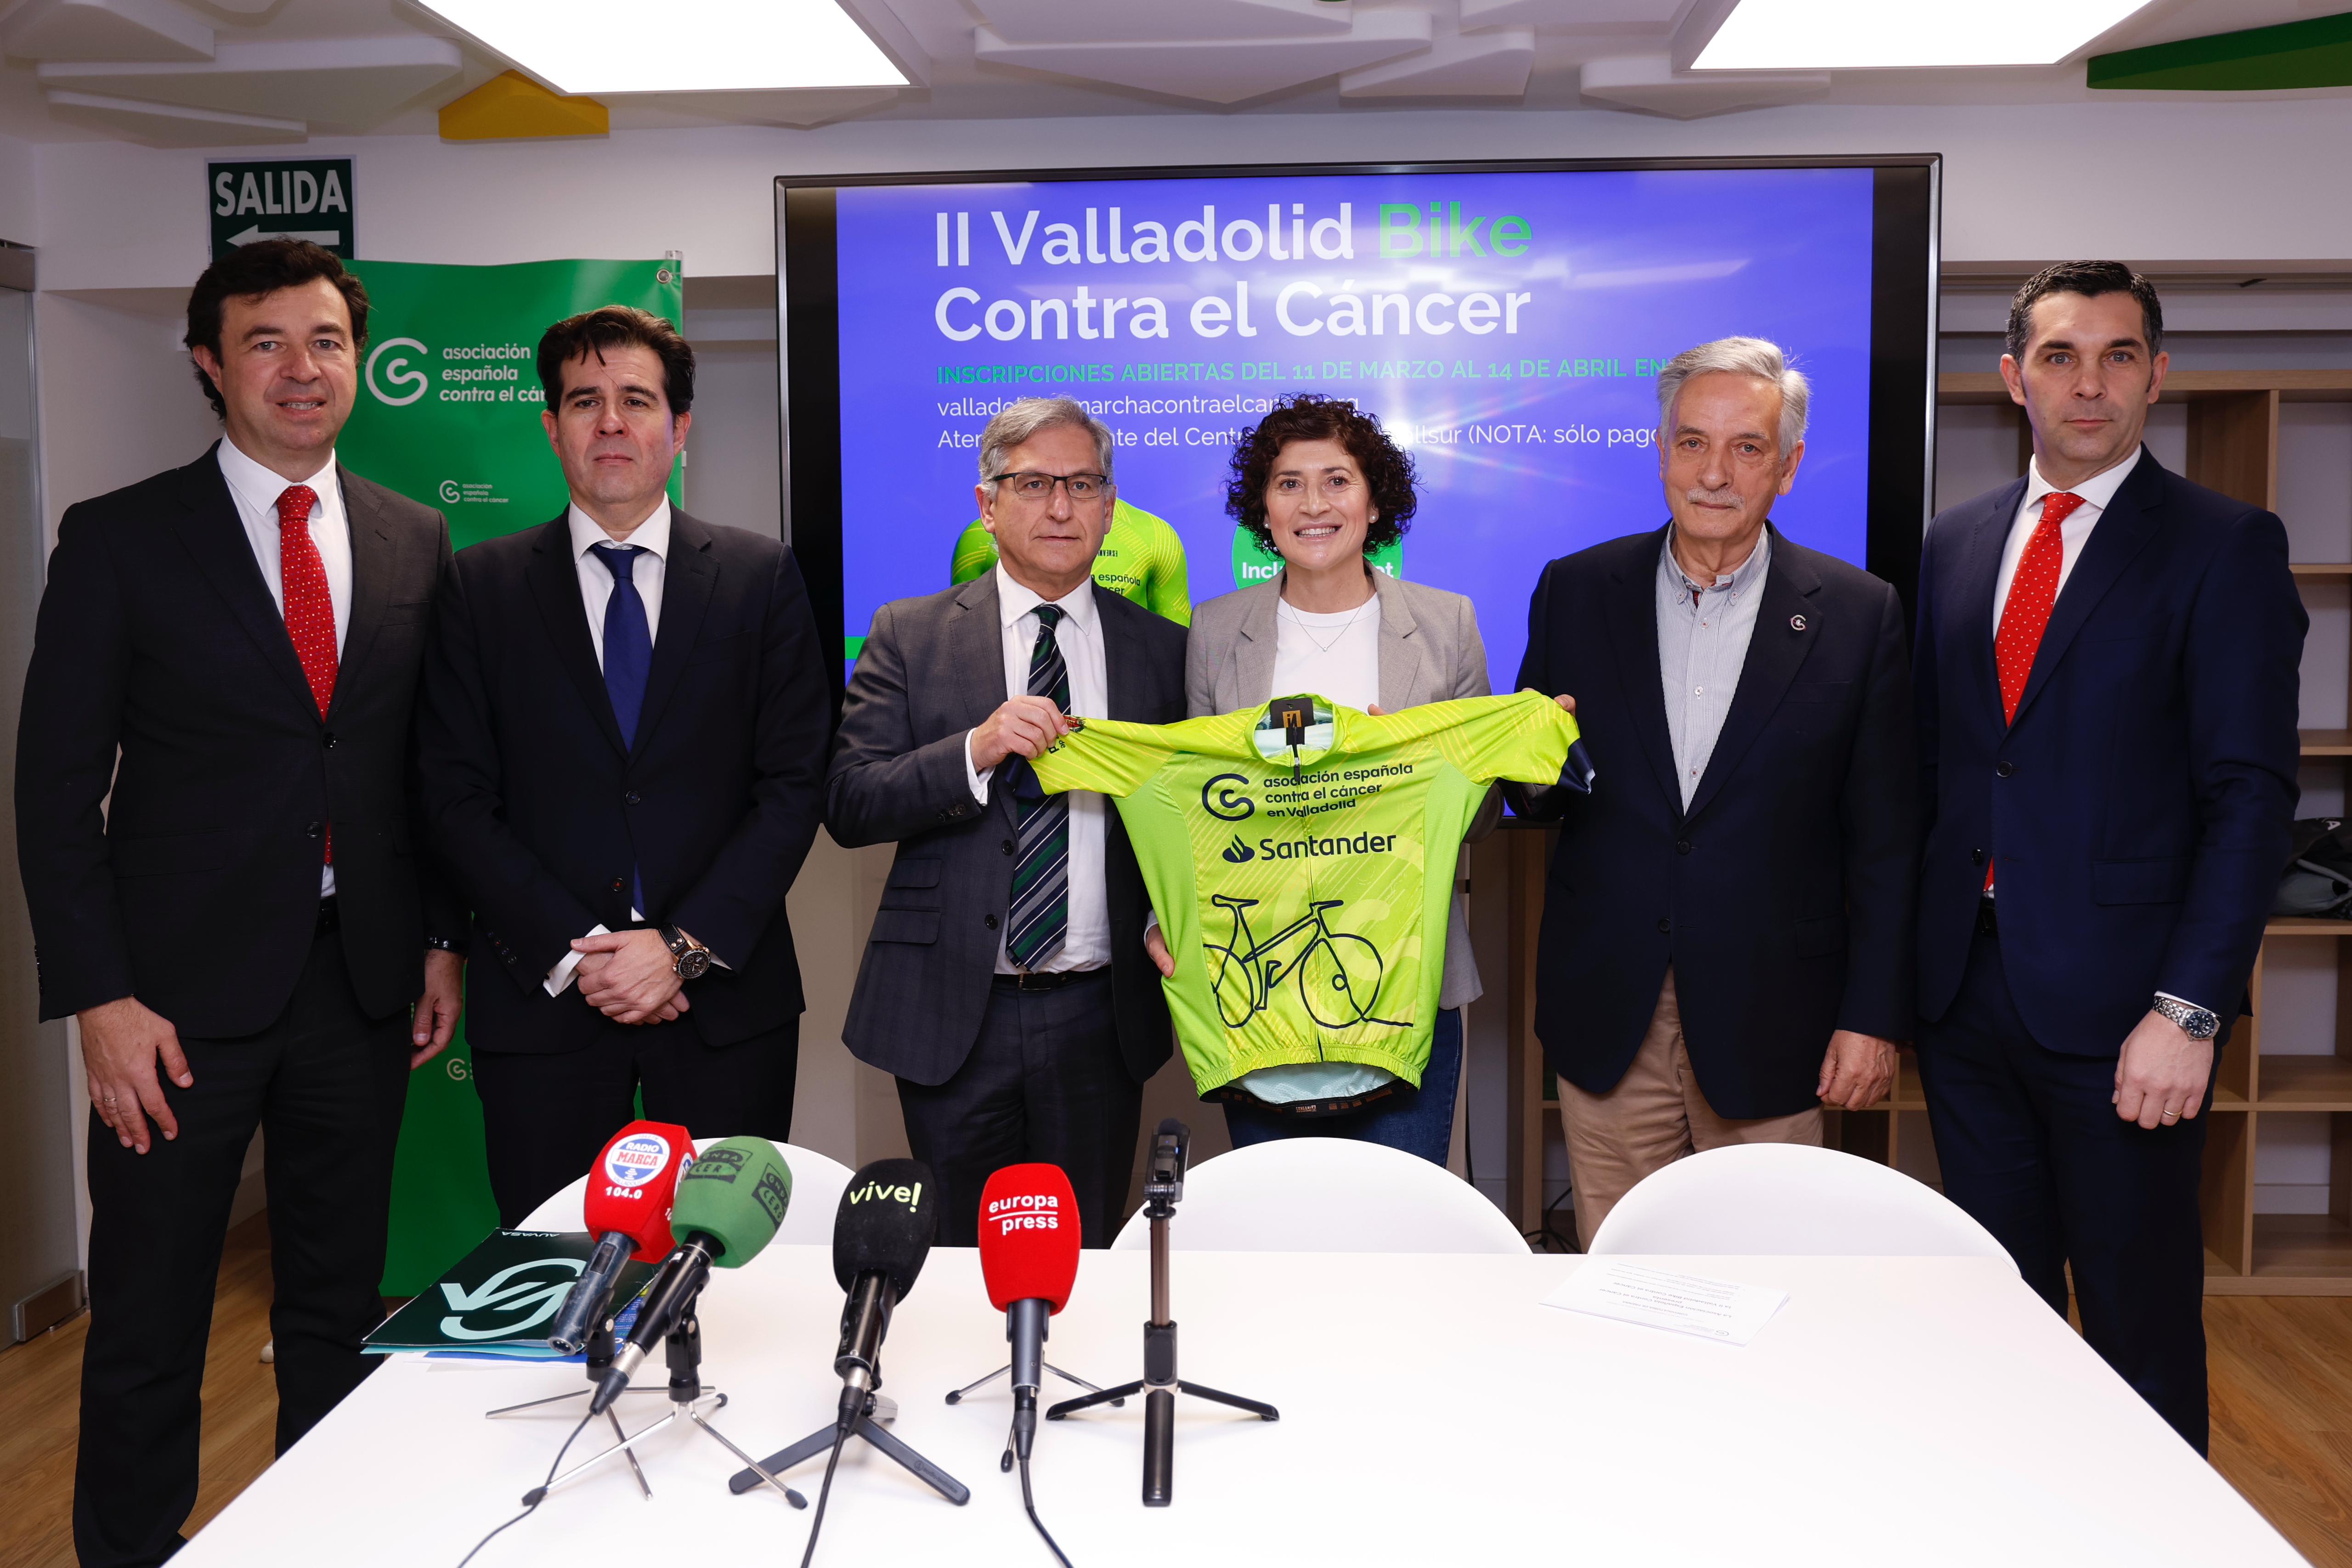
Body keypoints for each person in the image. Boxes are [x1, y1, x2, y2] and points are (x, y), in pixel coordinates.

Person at [15, 239, 466, 1568]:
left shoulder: (412, 535)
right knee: (149, 1317)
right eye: (266, 341)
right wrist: (100, 999)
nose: (301, 368)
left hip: (359, 983)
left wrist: (440, 939)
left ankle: (316, 1542)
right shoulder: (120, 537)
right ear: (211, 364)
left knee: (337, 1308)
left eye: (326, 341)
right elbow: (53, 789)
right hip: (169, 1006)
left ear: (358, 361)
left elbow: (425, 766)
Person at [1913, 263, 2303, 1453]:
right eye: (2061, 356)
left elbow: (2250, 799)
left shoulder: (2223, 545)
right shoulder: (1956, 542)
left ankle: (2157, 1530)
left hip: (2131, 1016)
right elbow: (1945, 770)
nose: (2089, 384)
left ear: (2157, 375)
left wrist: (2189, 1011)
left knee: (2139, 1328)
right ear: (2013, 378)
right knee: (2000, 1314)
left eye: (2118, 356)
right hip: (1966, 998)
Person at [417, 306, 831, 1225]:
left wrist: (679, 950)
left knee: (729, 1271)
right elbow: (453, 796)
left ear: (679, 430)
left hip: (726, 1005)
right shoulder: (480, 587)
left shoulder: (760, 578)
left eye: (637, 401)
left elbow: (793, 785)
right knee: (555, 1270)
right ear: (551, 427)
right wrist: (584, 954)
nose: (610, 422)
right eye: (584, 401)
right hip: (546, 1003)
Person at [1512, 336, 1917, 1248]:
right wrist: (1521, 769)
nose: (1714, 474)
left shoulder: (1859, 613)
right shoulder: (1576, 590)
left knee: (1769, 1272)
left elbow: (1887, 840)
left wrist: (1872, 1019)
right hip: (1611, 1008)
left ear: (1789, 466)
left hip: (1776, 1014)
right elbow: (1540, 790)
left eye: (1747, 448)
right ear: (1661, 450)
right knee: (1621, 1267)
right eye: (1692, 442)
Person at [828, 395, 1187, 1247]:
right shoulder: (909, 633)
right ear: (988, 505)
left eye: (1083, 485)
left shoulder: (1164, 649)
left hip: (1101, 1012)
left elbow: (1187, 818)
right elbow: (849, 801)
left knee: (1084, 1250)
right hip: (954, 1007)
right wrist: (975, 750)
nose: (1061, 507)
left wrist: (1164, 915)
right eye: (1033, 484)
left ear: (1110, 507)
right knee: (959, 1257)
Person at [1186, 393, 1496, 1162]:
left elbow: (1483, 813)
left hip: (1410, 980)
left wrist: (1426, 765)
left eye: (1337, 480)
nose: (1314, 504)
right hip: (1261, 985)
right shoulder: (1214, 629)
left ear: (1374, 499)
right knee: (1279, 1217)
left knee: (1398, 1217)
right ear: (1263, 507)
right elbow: (1196, 808)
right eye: (1289, 483)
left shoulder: (1448, 623)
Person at [951, 494, 1192, 625]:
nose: (1060, 512)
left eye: (1080, 484)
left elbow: (1180, 653)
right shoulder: (979, 539)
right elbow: (959, 636)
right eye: (1035, 483)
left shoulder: (1155, 535)